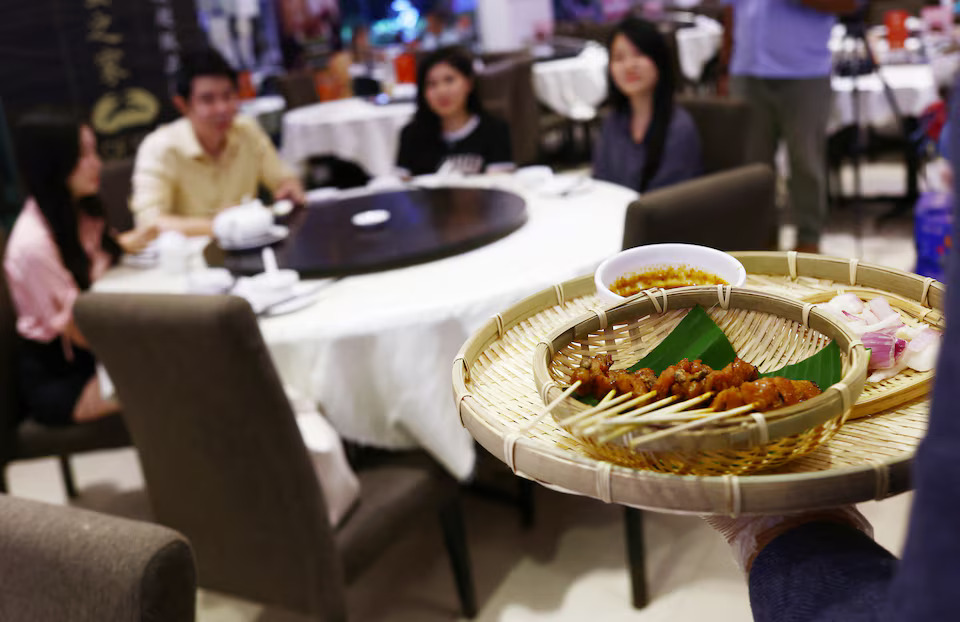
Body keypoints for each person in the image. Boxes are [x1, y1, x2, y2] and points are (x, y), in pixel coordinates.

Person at [4, 111, 157, 426]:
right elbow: (79, 330)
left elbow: (105, 257)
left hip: (97, 349)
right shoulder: (33, 245)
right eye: (83, 154)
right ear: (54, 164)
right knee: (173, 380)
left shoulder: (78, 210)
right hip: (63, 376)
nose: (97, 163)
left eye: (94, 151)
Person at [723, 0, 859, 253]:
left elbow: (849, 4)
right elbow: (732, 10)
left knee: (805, 161)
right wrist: (724, 66)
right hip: (746, 70)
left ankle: (809, 242)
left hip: (804, 72)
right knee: (753, 167)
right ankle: (763, 243)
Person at [131, 49, 304, 236]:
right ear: (182, 104)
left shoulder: (246, 130)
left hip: (249, 247)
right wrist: (221, 226)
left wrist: (289, 187)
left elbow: (282, 178)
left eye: (228, 96)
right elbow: (149, 222)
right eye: (208, 100)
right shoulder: (160, 148)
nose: (222, 108)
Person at [592, 17, 702, 193]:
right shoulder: (613, 121)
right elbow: (599, 184)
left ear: (658, 60)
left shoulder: (678, 128)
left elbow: (673, 203)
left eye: (639, 54)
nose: (629, 66)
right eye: (619, 58)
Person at [396, 46, 513, 177]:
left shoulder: (495, 130)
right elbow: (401, 186)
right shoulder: (411, 135)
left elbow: (501, 184)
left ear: (469, 83)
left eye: (449, 80)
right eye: (432, 84)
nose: (441, 91)